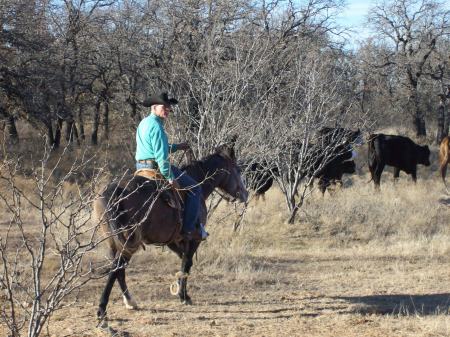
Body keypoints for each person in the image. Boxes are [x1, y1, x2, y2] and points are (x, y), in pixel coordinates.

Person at [136, 91, 208, 241]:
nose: (168, 109)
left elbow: (157, 147)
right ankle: (188, 230)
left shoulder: (144, 123)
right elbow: (161, 157)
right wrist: (169, 178)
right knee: (195, 188)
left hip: (140, 167)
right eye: (165, 107)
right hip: (156, 168)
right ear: (154, 107)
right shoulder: (156, 126)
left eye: (169, 107)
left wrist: (178, 146)